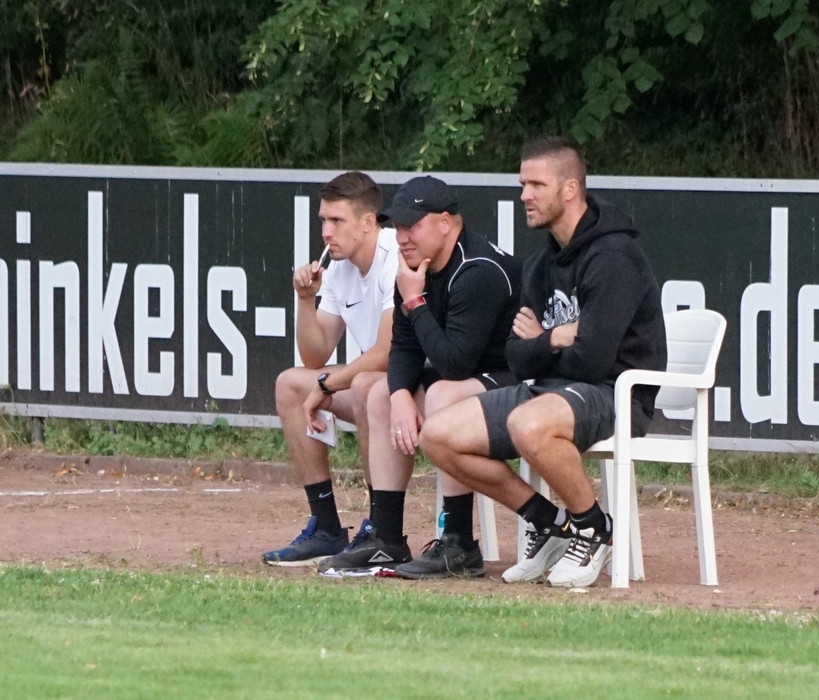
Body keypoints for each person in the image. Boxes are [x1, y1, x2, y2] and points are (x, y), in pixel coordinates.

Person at [420, 136, 667, 588]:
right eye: (522, 184)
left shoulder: (614, 257)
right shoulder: (539, 264)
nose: (524, 195)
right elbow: (515, 356)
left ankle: (594, 527)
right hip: (548, 389)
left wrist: (541, 343)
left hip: (614, 393)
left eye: (536, 185)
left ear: (570, 190)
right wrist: (555, 337)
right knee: (437, 435)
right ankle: (550, 522)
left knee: (527, 423)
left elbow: (594, 361)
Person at [316, 175, 521, 579]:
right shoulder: (412, 265)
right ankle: (387, 538)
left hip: (518, 381)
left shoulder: (477, 269)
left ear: (445, 223)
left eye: (413, 226)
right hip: (468, 378)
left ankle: (459, 542)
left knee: (443, 393)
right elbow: (405, 346)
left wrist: (413, 299)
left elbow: (455, 364)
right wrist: (399, 397)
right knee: (378, 392)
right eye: (398, 227)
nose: (402, 237)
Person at [262, 171, 397, 566]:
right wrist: (305, 300)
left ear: (368, 222)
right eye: (323, 220)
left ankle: (380, 529)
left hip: (415, 385)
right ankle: (326, 528)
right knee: (291, 384)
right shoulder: (339, 265)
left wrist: (329, 383)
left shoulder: (394, 256)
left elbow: (387, 354)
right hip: (375, 384)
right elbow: (314, 357)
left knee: (369, 384)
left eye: (337, 221)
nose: (326, 232)